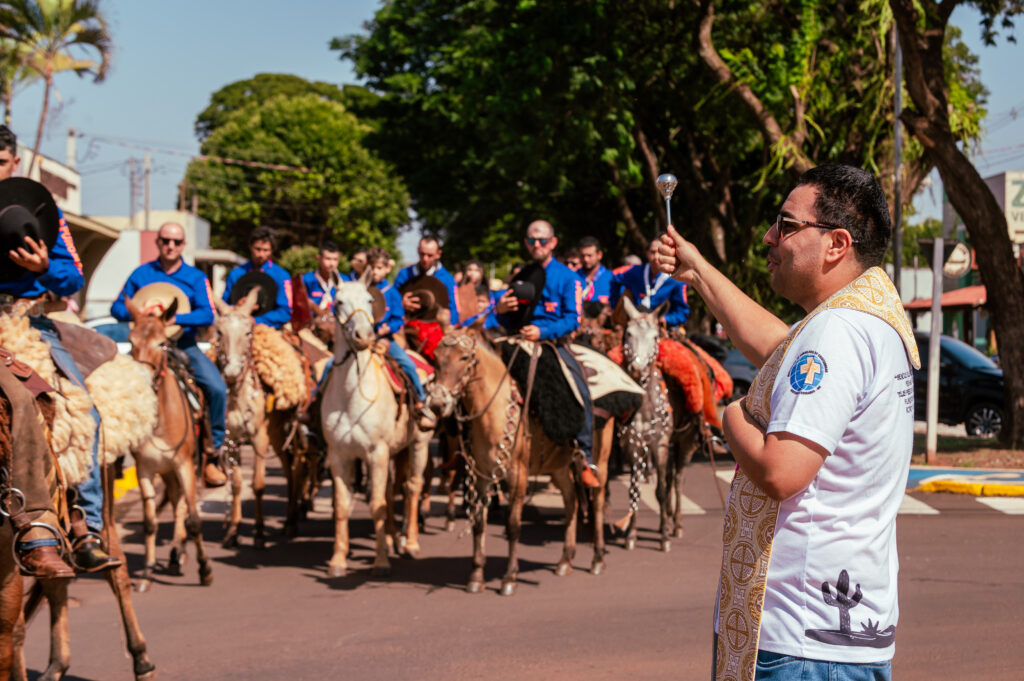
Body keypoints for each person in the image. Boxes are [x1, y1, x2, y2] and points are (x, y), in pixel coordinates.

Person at [656, 164, 919, 681]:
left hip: (803, 643)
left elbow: (781, 471)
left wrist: (731, 415)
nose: (769, 237)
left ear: (836, 244)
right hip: (832, 637)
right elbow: (780, 350)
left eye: (786, 224)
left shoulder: (837, 331)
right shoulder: (867, 319)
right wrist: (699, 272)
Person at [0, 130, 119, 574]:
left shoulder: (42, 211)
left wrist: (45, 267)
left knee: (81, 412)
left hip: (29, 320)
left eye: (1, 159)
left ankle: (81, 523)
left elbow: (72, 278)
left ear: (14, 161)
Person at [110, 222, 228, 487]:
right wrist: (141, 313)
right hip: (147, 348)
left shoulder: (196, 277)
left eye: (176, 241)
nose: (170, 246)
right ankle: (117, 453)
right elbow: (117, 306)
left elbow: (207, 314)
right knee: (116, 390)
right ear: (158, 242)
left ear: (183, 245)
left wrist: (177, 317)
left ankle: (212, 454)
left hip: (183, 345)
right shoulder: (141, 274)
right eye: (165, 240)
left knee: (217, 388)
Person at [495, 220, 599, 488]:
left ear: (553, 243)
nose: (536, 245)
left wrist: (542, 332)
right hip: (517, 341)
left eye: (542, 240)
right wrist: (502, 312)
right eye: (531, 240)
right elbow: (508, 322)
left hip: (554, 345)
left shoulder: (569, 278)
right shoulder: (520, 277)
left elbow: (573, 319)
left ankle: (585, 455)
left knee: (580, 389)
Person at [366, 248, 435, 427]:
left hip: (385, 339)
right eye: (372, 267)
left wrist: (386, 328)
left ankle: (420, 400)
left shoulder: (391, 293)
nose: (375, 271)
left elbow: (398, 319)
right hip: (363, 340)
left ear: (387, 269)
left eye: (379, 268)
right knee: (332, 364)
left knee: (407, 364)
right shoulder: (361, 290)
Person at [611, 238, 690, 332]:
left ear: (669, 254)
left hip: (659, 328)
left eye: (661, 252)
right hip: (634, 324)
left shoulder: (676, 279)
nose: (656, 256)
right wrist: (615, 306)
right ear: (647, 253)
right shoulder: (634, 272)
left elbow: (683, 314)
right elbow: (614, 277)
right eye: (652, 252)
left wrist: (664, 319)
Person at [222, 226, 292, 328]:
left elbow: (285, 311)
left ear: (272, 250)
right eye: (257, 249)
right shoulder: (236, 274)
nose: (261, 254)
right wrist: (237, 306)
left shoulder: (281, 275)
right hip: (238, 328)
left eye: (266, 250)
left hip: (270, 330)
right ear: (250, 246)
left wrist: (256, 320)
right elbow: (225, 305)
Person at [393, 235, 460, 326]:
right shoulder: (405, 274)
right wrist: (401, 303)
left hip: (435, 329)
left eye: (430, 255)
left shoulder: (447, 279)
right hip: (407, 326)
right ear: (417, 251)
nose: (425, 259)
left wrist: (447, 317)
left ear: (438, 254)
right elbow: (391, 302)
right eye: (422, 254)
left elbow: (454, 312)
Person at [302, 241, 342, 312]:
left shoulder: (344, 281)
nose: (332, 263)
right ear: (318, 259)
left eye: (335, 259)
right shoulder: (306, 280)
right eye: (328, 259)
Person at [577, 236, 613, 305]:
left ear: (599, 255)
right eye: (583, 256)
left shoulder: (611, 278)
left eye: (589, 255)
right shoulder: (573, 277)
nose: (586, 259)